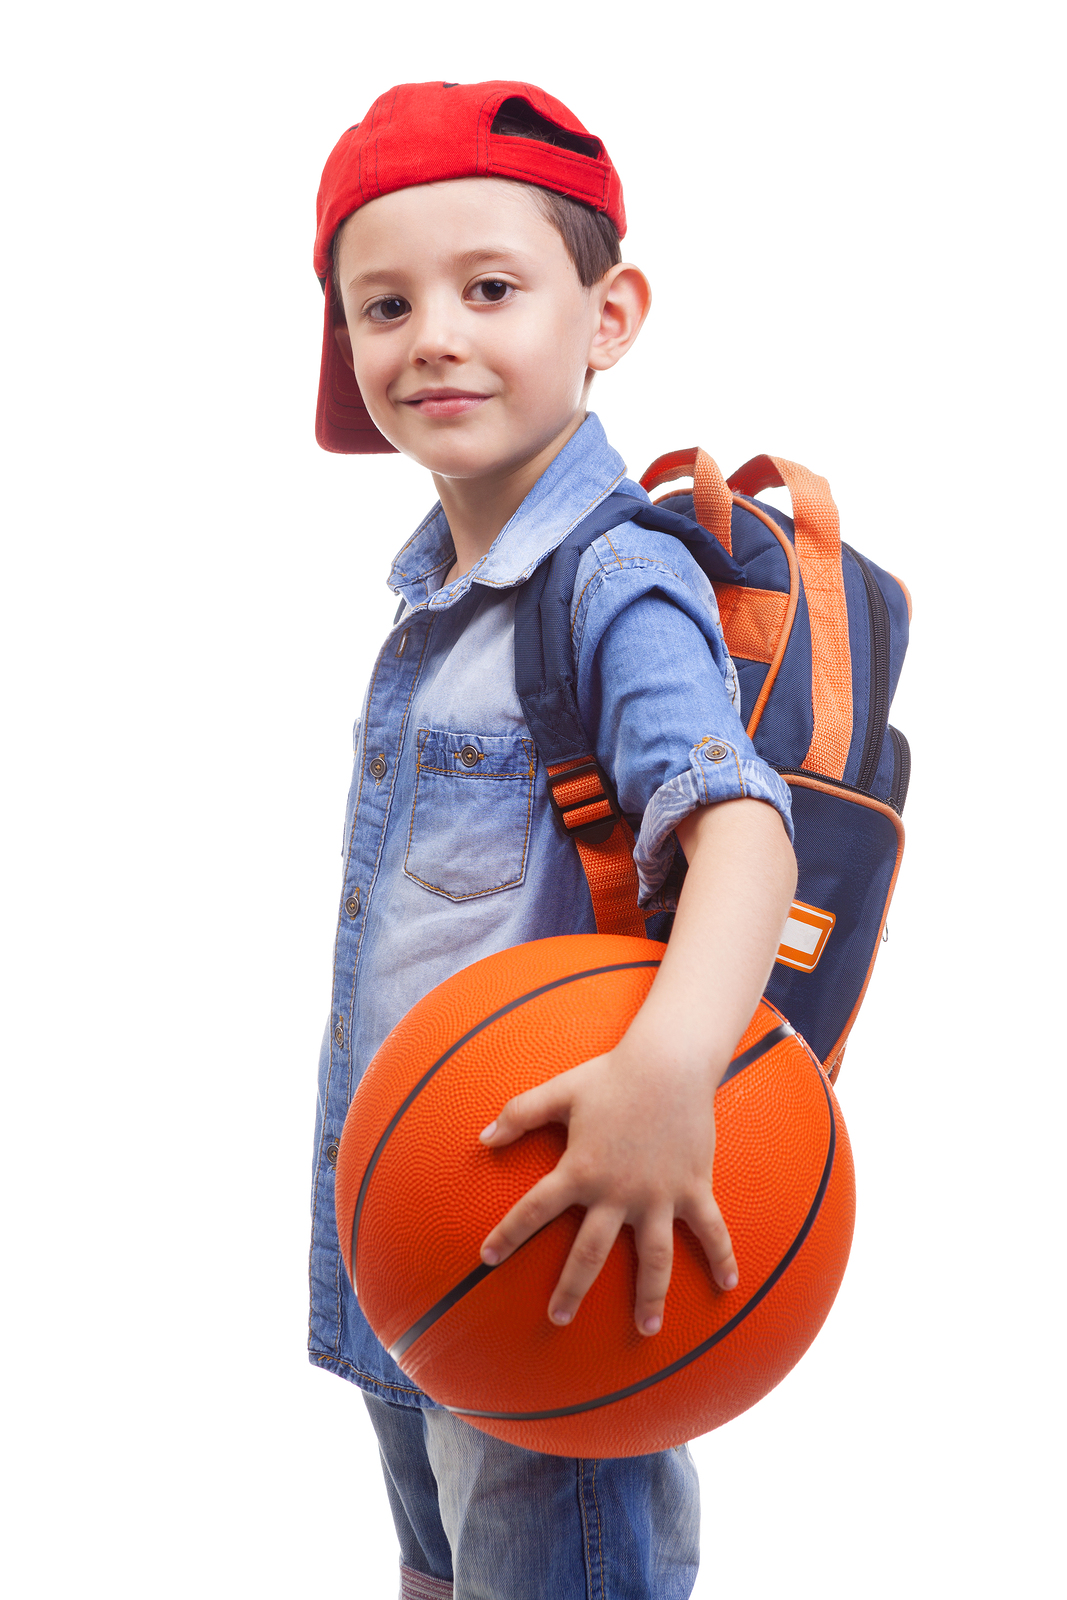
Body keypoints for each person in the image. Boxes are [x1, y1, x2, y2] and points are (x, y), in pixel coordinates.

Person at [308, 80, 797, 1600]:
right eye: (382, 304)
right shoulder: (436, 605)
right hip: (420, 1227)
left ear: (610, 313)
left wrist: (667, 1075)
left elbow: (739, 834)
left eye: (492, 287)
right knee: (446, 1570)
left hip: (553, 1244)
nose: (431, 334)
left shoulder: (613, 583)